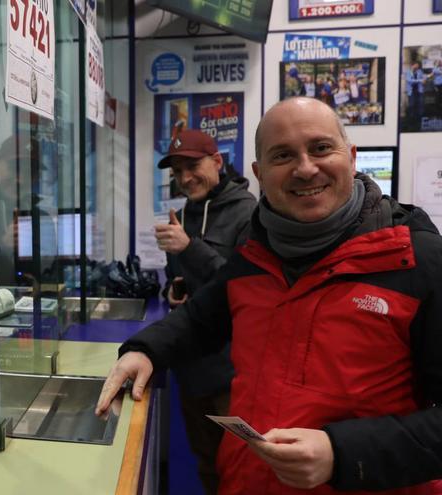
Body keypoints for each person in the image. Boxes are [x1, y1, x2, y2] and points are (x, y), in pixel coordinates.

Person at [97, 97, 442, 494]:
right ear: (261, 173)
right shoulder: (256, 253)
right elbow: (201, 318)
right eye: (283, 156)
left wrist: (342, 453)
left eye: (321, 148)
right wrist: (146, 350)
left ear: (351, 156)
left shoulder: (417, 261)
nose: (305, 168)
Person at [154, 128, 256, 494]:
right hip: (192, 364)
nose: (185, 178)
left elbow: (244, 285)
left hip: (231, 370)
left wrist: (189, 247)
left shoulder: (248, 212)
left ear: (217, 162)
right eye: (177, 171)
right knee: (207, 464)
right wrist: (174, 290)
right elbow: (182, 275)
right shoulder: (187, 212)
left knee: (242, 465)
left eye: (192, 166)